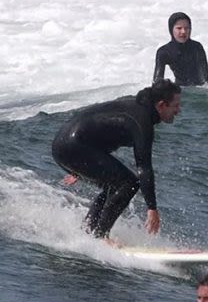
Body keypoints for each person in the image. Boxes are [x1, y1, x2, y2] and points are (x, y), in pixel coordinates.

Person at [51, 80, 182, 239]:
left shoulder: (136, 109)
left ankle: (88, 230)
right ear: (161, 105)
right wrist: (152, 209)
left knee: (114, 182)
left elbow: (100, 132)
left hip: (67, 145)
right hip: (72, 146)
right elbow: (144, 167)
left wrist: (81, 167)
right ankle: (101, 236)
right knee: (129, 183)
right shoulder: (142, 121)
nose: (178, 111)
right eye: (175, 106)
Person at [153, 12, 208, 86]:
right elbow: (157, 83)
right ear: (171, 30)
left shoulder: (197, 47)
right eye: (179, 28)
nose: (183, 31)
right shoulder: (164, 52)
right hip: (180, 91)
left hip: (199, 90)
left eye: (187, 28)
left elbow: (205, 80)